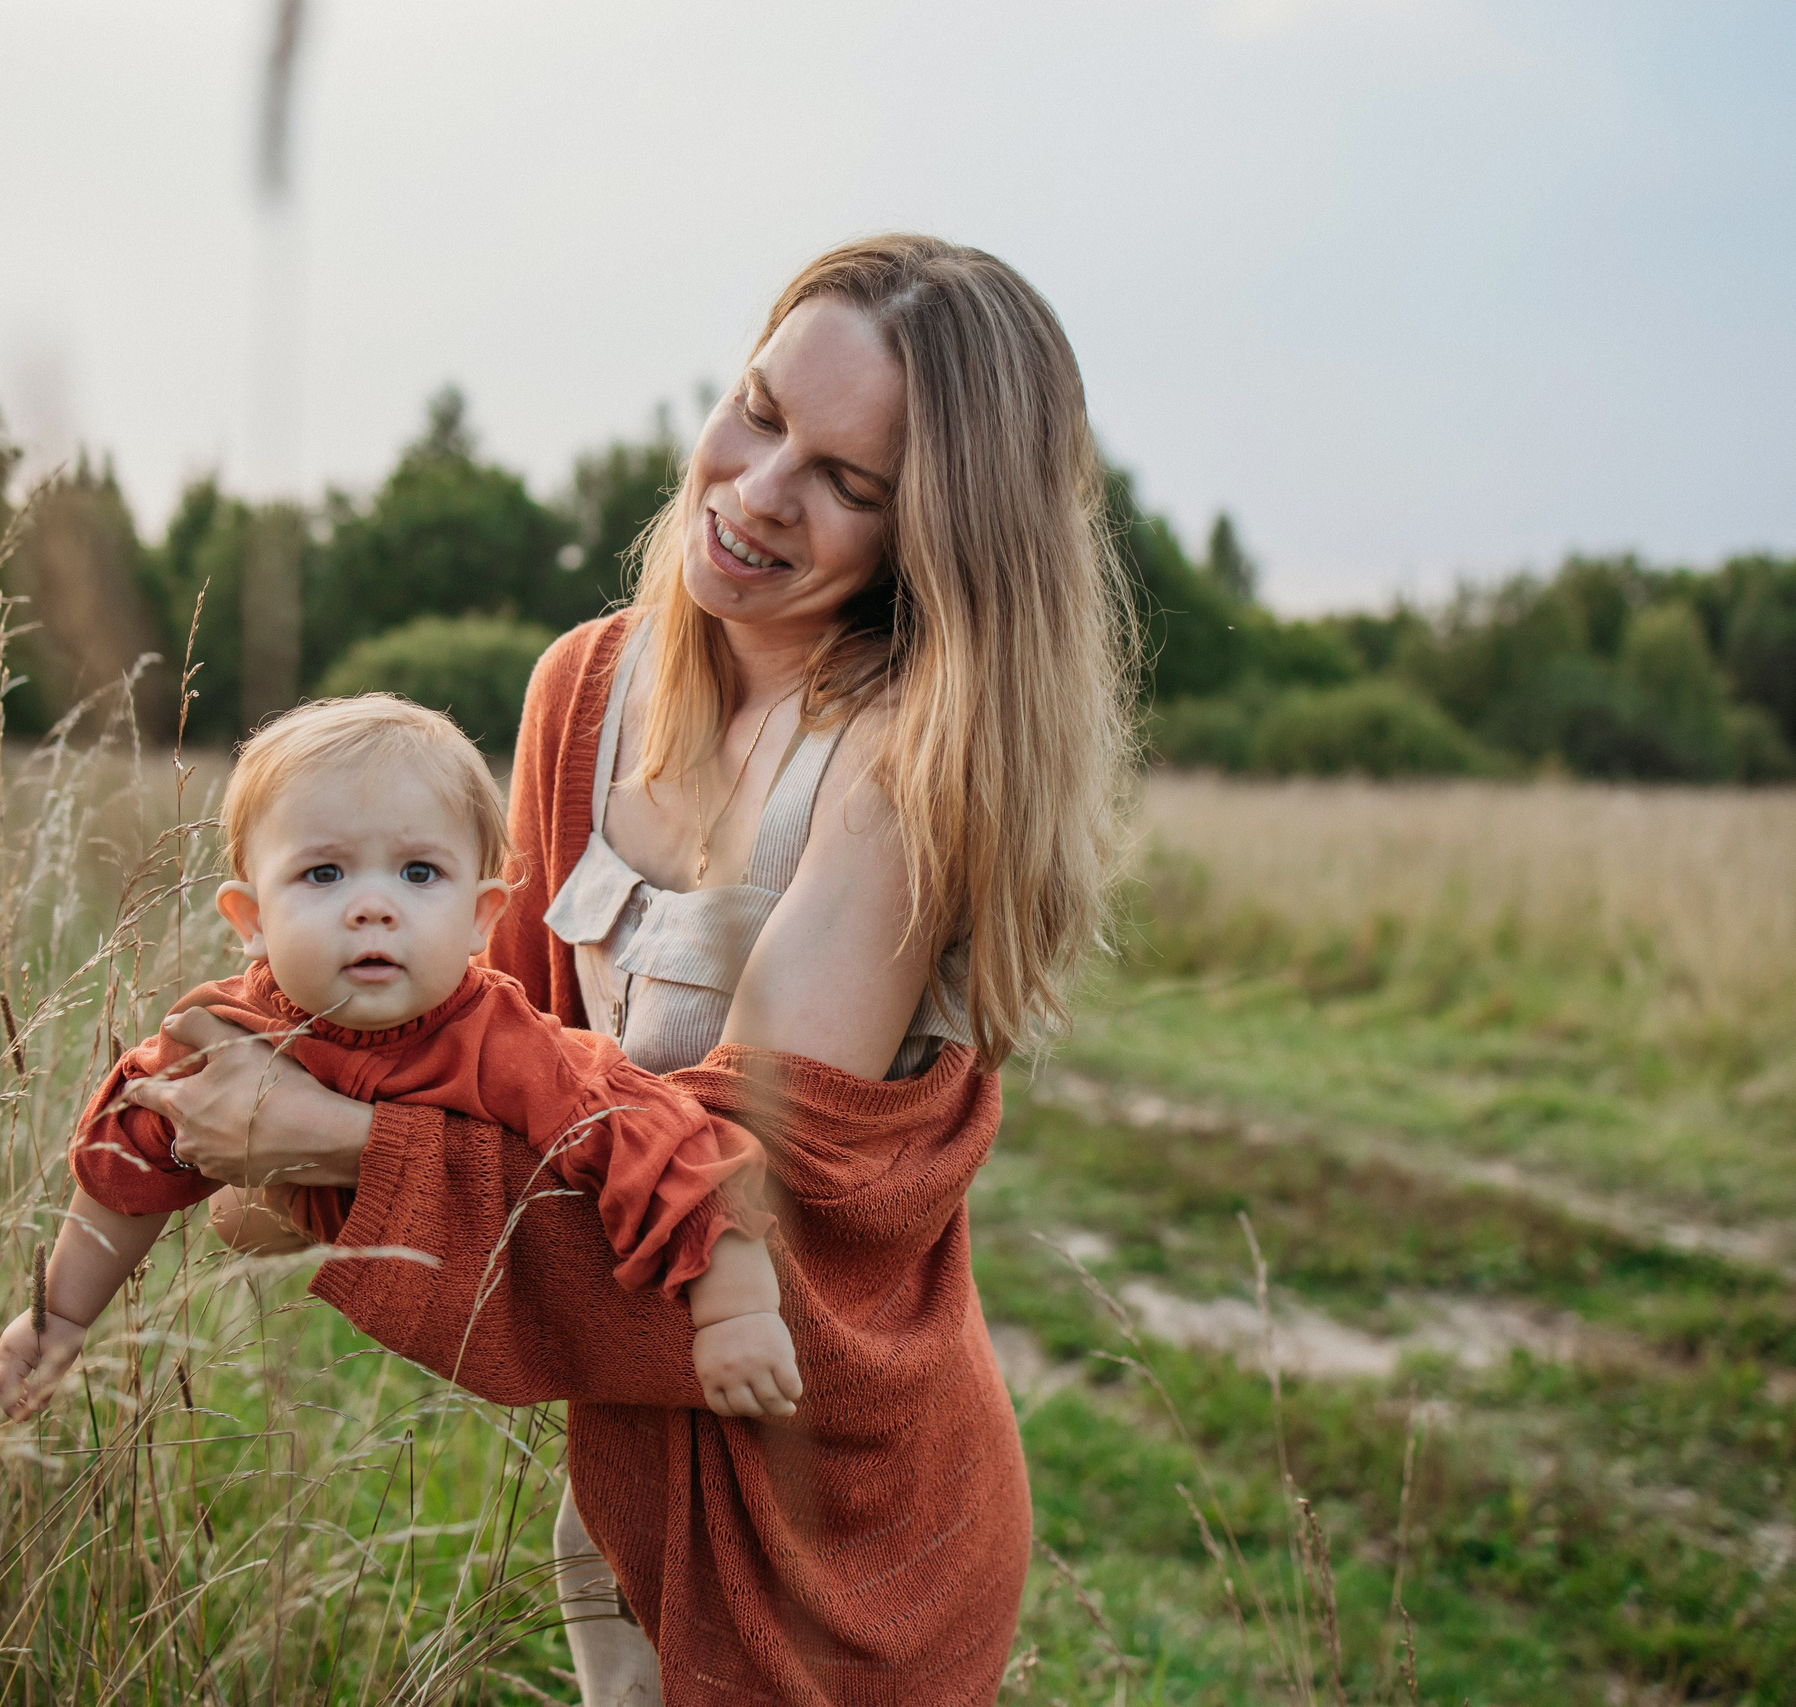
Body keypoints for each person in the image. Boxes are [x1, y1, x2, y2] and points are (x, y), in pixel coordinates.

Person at [119, 234, 1134, 1706]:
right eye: (763, 409)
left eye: (851, 483)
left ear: (941, 536)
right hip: (623, 1483)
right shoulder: (583, 687)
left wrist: (329, 1140)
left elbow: (753, 1221)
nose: (760, 489)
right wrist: (266, 1068)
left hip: (841, 1524)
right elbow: (487, 1061)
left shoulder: (908, 772)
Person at [0, 694, 804, 1423]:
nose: (372, 906)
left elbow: (667, 1142)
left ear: (482, 916)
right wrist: (61, 1314)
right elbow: (127, 1156)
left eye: (419, 872)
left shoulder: (511, 1043)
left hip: (560, 1339)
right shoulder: (229, 1031)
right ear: (251, 917)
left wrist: (736, 1311)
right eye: (323, 872)